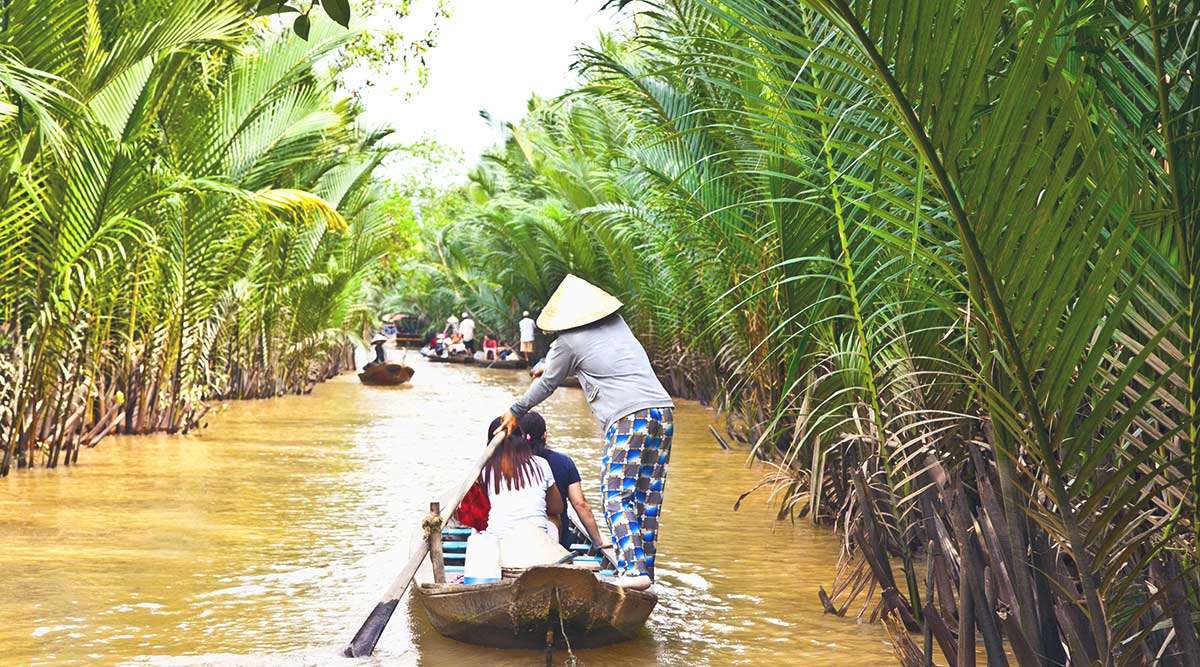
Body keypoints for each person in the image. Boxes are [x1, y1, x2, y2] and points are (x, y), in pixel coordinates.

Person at [497, 275, 674, 590]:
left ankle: (632, 572)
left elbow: (549, 383)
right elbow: (599, 361)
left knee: (616, 493)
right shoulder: (619, 324)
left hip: (628, 417)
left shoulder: (567, 342)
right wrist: (549, 367)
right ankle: (646, 572)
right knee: (647, 497)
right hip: (662, 411)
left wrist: (516, 409)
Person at [479, 420, 569, 568]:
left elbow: (479, 511)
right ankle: (552, 559)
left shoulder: (485, 470)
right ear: (523, 440)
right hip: (537, 545)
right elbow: (557, 508)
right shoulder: (541, 464)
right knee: (554, 518)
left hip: (500, 543)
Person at [520, 411, 608, 551]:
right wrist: (598, 541)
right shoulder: (563, 462)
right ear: (545, 436)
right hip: (557, 538)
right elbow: (580, 504)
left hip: (515, 535)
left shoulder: (507, 465)